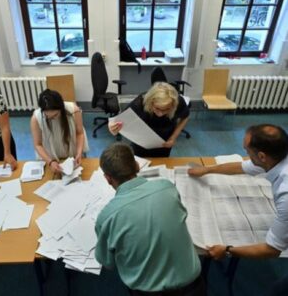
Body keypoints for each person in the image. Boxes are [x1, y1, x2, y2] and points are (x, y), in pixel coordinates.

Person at [95, 143, 206, 296]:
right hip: (193, 285)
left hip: (147, 292)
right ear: (137, 166)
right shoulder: (168, 187)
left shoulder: (106, 217)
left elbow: (107, 262)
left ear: (108, 178)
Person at [188, 124, 288, 260]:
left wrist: (228, 249)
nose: (246, 154)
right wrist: (207, 170)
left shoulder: (285, 194)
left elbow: (272, 250)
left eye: (247, 151)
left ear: (262, 156)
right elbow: (242, 167)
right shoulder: (276, 156)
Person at [108, 82, 189, 157]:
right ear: (150, 102)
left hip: (164, 143)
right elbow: (118, 121)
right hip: (141, 143)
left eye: (166, 109)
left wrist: (173, 138)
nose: (160, 114)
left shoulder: (177, 101)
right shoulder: (140, 102)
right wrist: (112, 127)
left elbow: (185, 117)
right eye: (157, 108)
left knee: (161, 165)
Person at [30, 89, 89, 174]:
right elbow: (37, 144)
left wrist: (79, 153)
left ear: (61, 108)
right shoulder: (36, 119)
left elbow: (79, 133)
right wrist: (50, 162)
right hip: (51, 155)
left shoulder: (74, 111)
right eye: (48, 117)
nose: (53, 119)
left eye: (55, 115)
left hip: (72, 151)